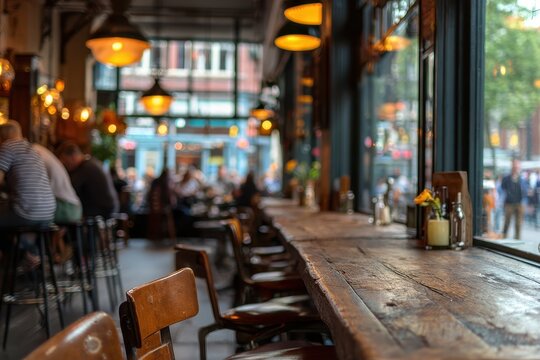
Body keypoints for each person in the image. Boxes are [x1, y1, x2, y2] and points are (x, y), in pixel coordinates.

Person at [0, 120, 56, 227]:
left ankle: (11, 244)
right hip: (48, 213)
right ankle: (25, 244)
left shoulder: (8, 146)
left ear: (2, 136)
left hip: (27, 212)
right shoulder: (34, 150)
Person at [56, 141, 118, 218]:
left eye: (65, 162)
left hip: (101, 212)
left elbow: (69, 191)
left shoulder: (85, 168)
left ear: (73, 156)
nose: (64, 166)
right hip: (108, 210)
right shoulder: (91, 162)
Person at [32, 143, 82, 223]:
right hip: (74, 207)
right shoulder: (41, 150)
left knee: (33, 214)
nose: (63, 162)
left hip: (66, 207)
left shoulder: (34, 153)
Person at [501, 159, 528, 239]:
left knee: (518, 224)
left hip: (520, 204)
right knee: (506, 222)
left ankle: (517, 240)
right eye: (515, 165)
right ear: (512, 166)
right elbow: (503, 188)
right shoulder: (506, 178)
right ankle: (504, 238)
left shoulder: (522, 179)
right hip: (509, 203)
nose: (516, 167)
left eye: (517, 165)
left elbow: (525, 190)